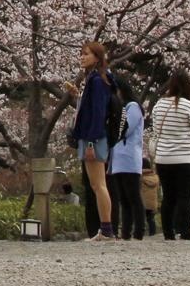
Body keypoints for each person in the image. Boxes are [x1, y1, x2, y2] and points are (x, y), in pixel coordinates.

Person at [66, 41, 115, 241]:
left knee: (99, 184)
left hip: (93, 137)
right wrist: (78, 96)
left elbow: (97, 114)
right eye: (81, 53)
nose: (82, 57)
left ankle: (106, 229)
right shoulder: (97, 79)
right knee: (97, 184)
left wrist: (92, 143)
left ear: (96, 57)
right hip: (93, 136)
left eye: (86, 54)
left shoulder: (96, 81)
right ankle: (105, 228)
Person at [149, 70, 190, 241]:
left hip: (163, 157)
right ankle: (185, 232)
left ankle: (168, 233)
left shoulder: (159, 105)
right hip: (184, 157)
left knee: (168, 196)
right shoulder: (189, 106)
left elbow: (155, 130)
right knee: (184, 196)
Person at [109, 78, 146, 240]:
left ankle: (138, 231)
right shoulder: (121, 108)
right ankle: (125, 232)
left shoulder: (133, 107)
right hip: (118, 157)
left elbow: (126, 129)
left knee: (133, 197)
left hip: (129, 157)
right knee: (123, 198)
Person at [140, 158, 160, 236]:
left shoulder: (140, 177)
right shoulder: (156, 177)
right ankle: (153, 233)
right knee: (151, 219)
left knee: (140, 218)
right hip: (152, 203)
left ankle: (140, 233)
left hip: (142, 202)